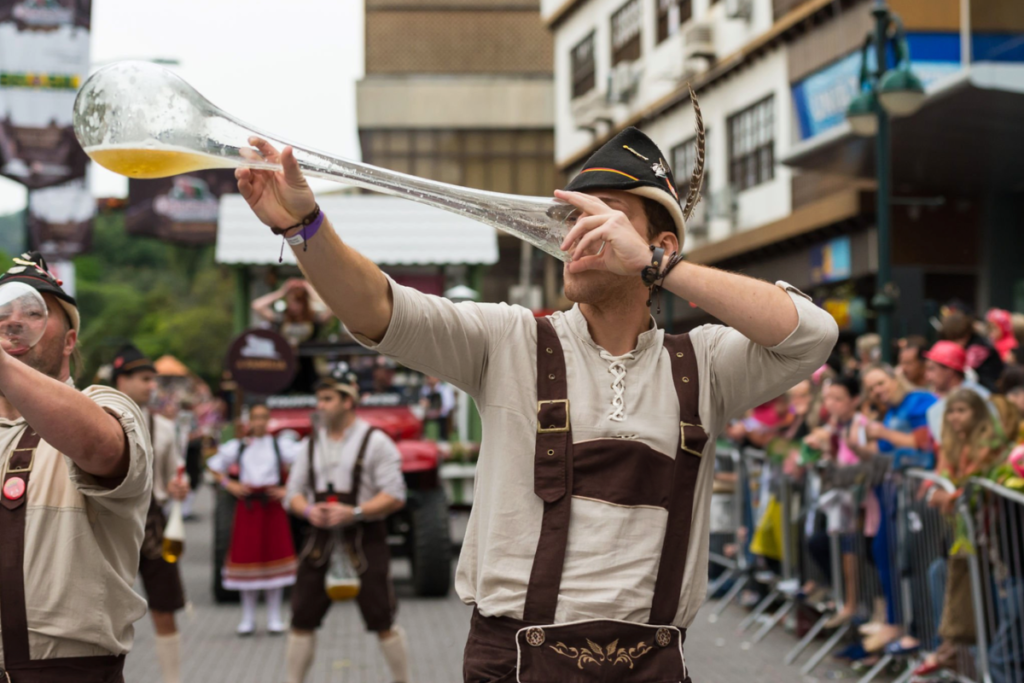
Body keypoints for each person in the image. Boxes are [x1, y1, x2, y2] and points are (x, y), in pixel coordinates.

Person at [237, 119, 838, 680]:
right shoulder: (509, 340)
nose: (572, 235)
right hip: (513, 662)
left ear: (657, 243)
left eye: (602, 220)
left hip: (653, 664)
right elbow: (377, 308)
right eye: (567, 220)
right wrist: (304, 226)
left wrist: (660, 264)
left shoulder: (705, 364)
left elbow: (813, 334)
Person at [0, 252, 153, 681]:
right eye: (1, 311)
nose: (13, 321)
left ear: (69, 341)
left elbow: (101, 449)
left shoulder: (105, 405)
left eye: (32, 312)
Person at [284, 371, 409, 683]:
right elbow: (292, 494)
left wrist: (353, 511)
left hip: (365, 539)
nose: (320, 406)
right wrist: (310, 510)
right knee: (301, 618)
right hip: (319, 541)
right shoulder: (311, 444)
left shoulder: (376, 441)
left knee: (383, 619)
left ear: (348, 401)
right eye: (319, 399)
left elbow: (395, 495)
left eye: (327, 399)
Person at [913, 388, 1010, 679]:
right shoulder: (953, 445)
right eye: (951, 412)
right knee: (940, 575)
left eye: (961, 411)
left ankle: (966, 659)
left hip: (989, 540)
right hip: (961, 540)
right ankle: (956, 654)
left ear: (977, 413)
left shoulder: (990, 443)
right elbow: (943, 480)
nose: (955, 418)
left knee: (987, 608)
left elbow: (975, 484)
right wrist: (939, 491)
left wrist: (950, 497)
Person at [112, 344, 190, 683]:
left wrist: (178, 488)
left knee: (165, 604)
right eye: (144, 379)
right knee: (106, 613)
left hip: (154, 522)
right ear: (121, 379)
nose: (151, 386)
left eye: (152, 380)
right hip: (110, 524)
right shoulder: (96, 416)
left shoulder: (165, 426)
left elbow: (174, 477)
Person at [207, 403, 301, 636]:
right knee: (246, 559)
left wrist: (288, 489)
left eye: (263, 417)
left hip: (272, 506)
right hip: (248, 507)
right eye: (255, 417)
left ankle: (274, 616)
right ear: (249, 421)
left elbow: (305, 462)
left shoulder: (280, 445)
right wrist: (231, 485)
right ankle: (247, 617)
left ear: (268, 420)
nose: (259, 422)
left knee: (274, 557)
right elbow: (214, 467)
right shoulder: (238, 447)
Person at [252, 278, 332, 393]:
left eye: (298, 301)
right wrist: (281, 292)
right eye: (291, 301)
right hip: (284, 368)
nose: (294, 305)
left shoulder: (314, 320)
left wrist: (310, 290)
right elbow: (257, 305)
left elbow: (332, 308)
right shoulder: (281, 319)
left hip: (308, 370)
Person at [923, 340, 992, 443]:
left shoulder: (981, 396)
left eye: (932, 369)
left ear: (949, 370)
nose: (927, 376)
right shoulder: (934, 406)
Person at [942, 311, 1004, 393]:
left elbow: (966, 370)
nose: (954, 343)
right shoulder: (974, 343)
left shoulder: (977, 348)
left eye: (957, 338)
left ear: (966, 335)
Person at [419, 375, 456, 440]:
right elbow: (421, 403)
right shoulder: (425, 389)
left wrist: (438, 412)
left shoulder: (445, 389)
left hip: (442, 417)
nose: (429, 379)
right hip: (427, 416)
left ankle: (442, 439)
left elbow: (449, 405)